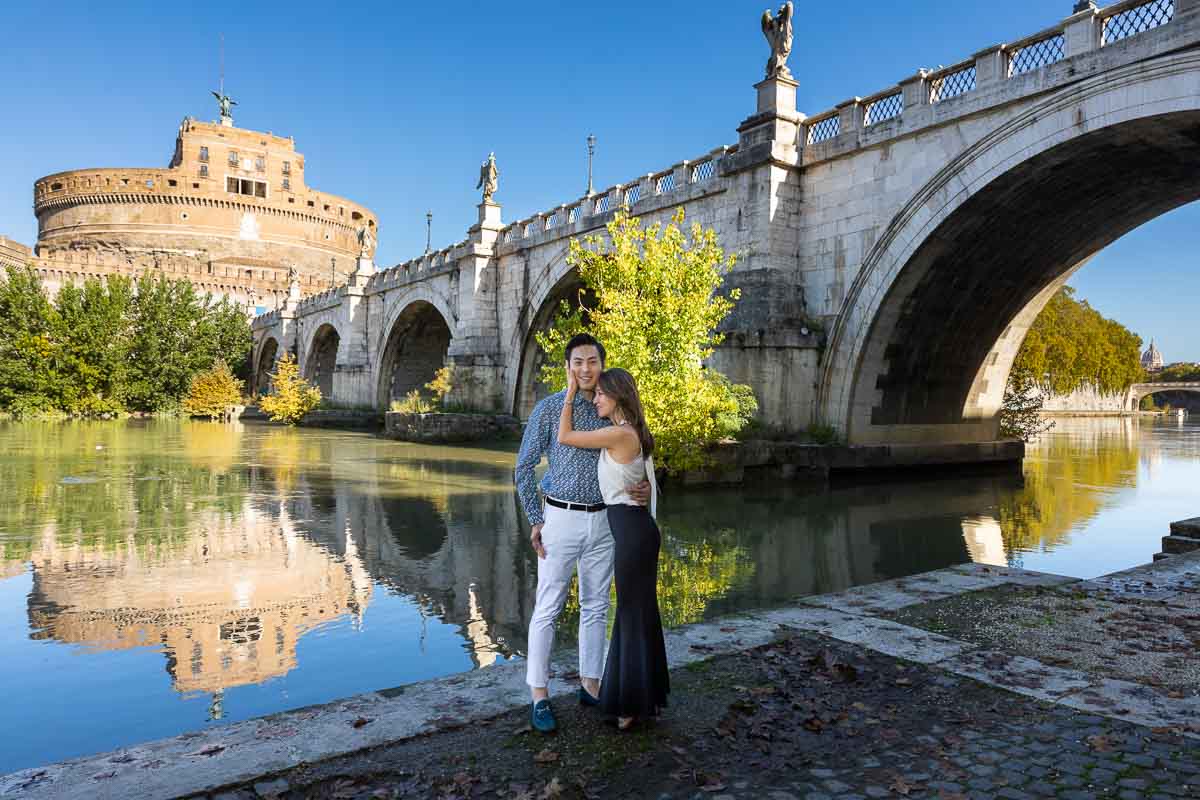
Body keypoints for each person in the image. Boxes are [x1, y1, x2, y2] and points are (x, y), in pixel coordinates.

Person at [514, 333, 650, 733]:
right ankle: (539, 695)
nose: (586, 369)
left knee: (596, 606)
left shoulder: (611, 409)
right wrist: (535, 518)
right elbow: (523, 468)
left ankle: (591, 685)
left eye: (592, 361)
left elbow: (637, 453)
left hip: (606, 521)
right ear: (568, 366)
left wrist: (639, 484)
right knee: (548, 607)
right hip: (561, 518)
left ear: (602, 365)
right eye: (578, 362)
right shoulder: (550, 408)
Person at [557, 366, 668, 730]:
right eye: (595, 394)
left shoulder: (619, 434)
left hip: (634, 536)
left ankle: (630, 704)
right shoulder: (630, 432)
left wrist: (571, 393)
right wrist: (646, 490)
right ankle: (643, 700)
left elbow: (566, 436)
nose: (597, 398)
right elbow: (641, 478)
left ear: (618, 395)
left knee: (631, 616)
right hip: (636, 531)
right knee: (638, 614)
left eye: (602, 393)